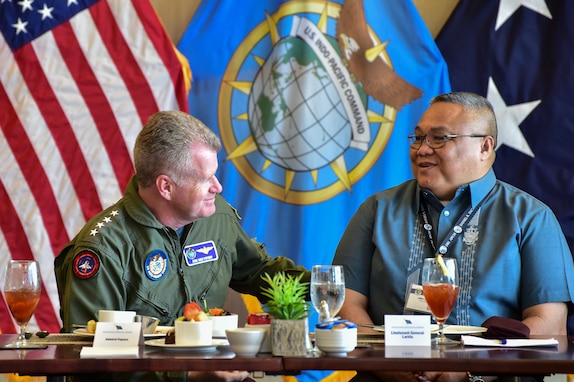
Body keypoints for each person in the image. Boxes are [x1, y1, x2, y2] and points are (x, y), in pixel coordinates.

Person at [333, 92, 574, 382]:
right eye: (418, 138)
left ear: (484, 147)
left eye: (439, 138)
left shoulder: (531, 217)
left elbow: (550, 327)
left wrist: (468, 370)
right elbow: (345, 304)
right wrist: (393, 369)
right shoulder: (377, 210)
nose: (422, 149)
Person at [54, 110, 309, 382]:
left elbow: (257, 273)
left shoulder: (216, 216)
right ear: (166, 186)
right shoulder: (102, 250)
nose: (218, 187)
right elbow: (90, 363)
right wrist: (188, 375)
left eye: (216, 174)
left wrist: (324, 288)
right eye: (205, 179)